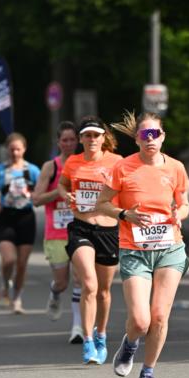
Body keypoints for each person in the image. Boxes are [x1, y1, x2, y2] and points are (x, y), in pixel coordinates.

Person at [95, 111, 189, 378]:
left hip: (170, 248)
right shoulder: (123, 168)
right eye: (145, 134)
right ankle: (130, 344)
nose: (150, 139)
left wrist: (179, 215)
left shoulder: (175, 168)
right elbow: (102, 204)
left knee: (159, 316)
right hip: (134, 250)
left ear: (163, 137)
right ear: (136, 138)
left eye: (155, 134)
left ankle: (148, 374)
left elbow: (184, 203)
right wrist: (125, 214)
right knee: (140, 320)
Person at [58, 116, 120, 364]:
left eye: (96, 135)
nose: (92, 139)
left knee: (104, 292)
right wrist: (67, 196)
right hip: (81, 228)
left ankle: (101, 335)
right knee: (89, 285)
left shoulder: (117, 162)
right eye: (87, 135)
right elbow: (63, 185)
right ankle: (87, 340)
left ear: (103, 138)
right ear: (81, 138)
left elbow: (128, 188)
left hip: (108, 231)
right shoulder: (73, 162)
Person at [32, 121, 83, 343]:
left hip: (81, 230)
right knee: (62, 283)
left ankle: (78, 328)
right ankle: (54, 292)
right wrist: (60, 192)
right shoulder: (50, 167)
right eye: (65, 140)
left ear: (78, 141)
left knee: (80, 279)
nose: (69, 144)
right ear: (58, 142)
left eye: (73, 139)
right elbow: (36, 200)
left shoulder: (85, 164)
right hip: (57, 232)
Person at [0, 133, 40, 314]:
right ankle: (5, 283)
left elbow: (40, 190)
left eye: (18, 149)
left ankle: (17, 298)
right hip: (6, 217)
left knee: (22, 264)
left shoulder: (32, 170)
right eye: (12, 149)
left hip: (26, 217)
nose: (15, 152)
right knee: (9, 260)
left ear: (24, 149)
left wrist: (34, 196)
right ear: (7, 150)